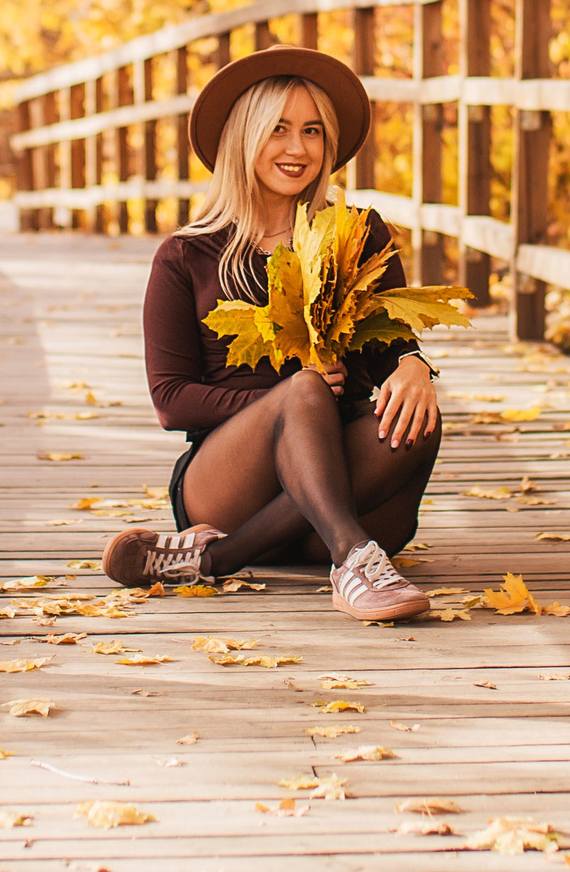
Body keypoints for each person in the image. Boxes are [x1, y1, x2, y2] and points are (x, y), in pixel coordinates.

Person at [102, 44, 442, 622]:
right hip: (228, 482)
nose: (297, 148)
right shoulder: (186, 256)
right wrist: (283, 401)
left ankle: (216, 561)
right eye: (278, 129)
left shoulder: (357, 232)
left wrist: (414, 365)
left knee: (415, 420)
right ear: (244, 137)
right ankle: (355, 558)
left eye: (312, 131)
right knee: (306, 390)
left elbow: (392, 344)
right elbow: (171, 400)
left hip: (341, 476)